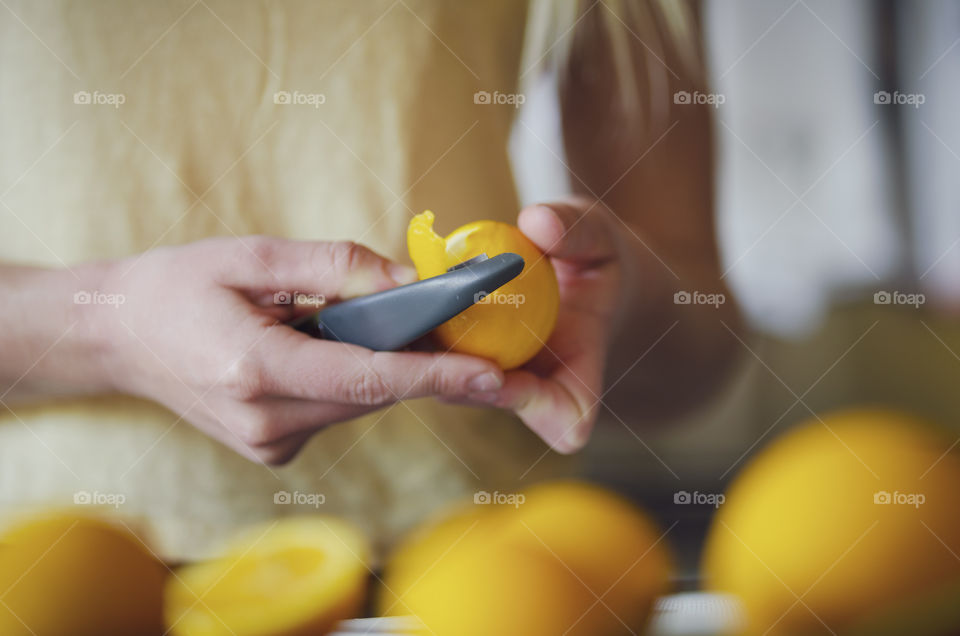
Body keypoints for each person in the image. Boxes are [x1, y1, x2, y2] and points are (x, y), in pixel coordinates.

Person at [0, 0, 738, 558]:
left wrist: (608, 301)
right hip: (63, 575)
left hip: (480, 578)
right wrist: (108, 330)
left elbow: (702, 343)